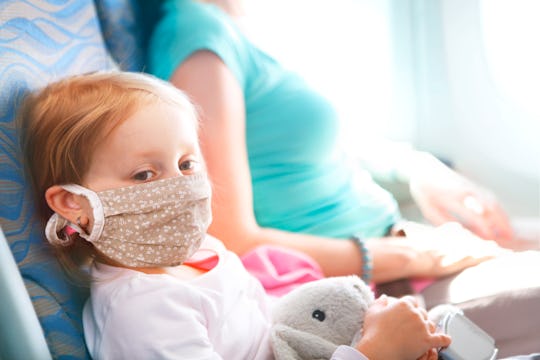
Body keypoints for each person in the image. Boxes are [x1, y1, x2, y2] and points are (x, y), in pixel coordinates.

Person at [147, 0, 540, 355]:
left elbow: (316, 142)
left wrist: (417, 168)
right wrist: (417, 255)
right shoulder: (197, 39)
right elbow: (232, 237)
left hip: (400, 255)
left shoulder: (237, 23)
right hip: (368, 297)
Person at [19, 71, 451, 359]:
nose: (182, 187)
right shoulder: (144, 310)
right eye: (144, 174)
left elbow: (260, 327)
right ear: (74, 204)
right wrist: (375, 351)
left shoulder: (199, 252)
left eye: (187, 165)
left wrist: (365, 325)